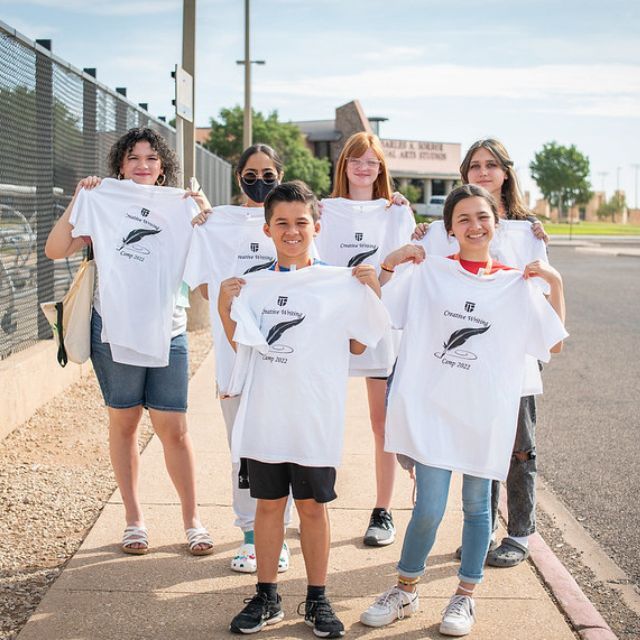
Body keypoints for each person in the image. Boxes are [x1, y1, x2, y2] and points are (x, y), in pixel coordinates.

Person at [360, 184, 567, 636]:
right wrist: (391, 263)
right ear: (450, 230)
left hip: (485, 415)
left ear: (496, 222)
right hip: (433, 411)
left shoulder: (516, 283)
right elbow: (376, 313)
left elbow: (552, 343)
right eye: (464, 220)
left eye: (482, 217)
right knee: (429, 508)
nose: (474, 226)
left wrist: (555, 283)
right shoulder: (429, 273)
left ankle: (464, 596)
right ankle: (405, 589)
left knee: (478, 509)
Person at [218, 181, 390, 637]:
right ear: (267, 229)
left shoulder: (339, 282)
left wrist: (373, 292)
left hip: (315, 419)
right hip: (265, 418)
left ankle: (317, 597)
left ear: (317, 225)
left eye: (300, 223)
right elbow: (243, 348)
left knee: (313, 507)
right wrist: (223, 305)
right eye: (282, 224)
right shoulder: (254, 284)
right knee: (268, 506)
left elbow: (357, 344)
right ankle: (267, 594)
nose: (292, 231)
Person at [44, 127, 213, 556]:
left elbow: (211, 252)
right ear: (120, 164)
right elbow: (55, 249)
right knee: (125, 422)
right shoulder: (105, 202)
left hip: (168, 330)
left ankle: (192, 520)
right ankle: (134, 518)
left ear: (162, 168)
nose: (142, 164)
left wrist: (203, 209)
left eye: (152, 158)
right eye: (134, 157)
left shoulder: (178, 207)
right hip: (113, 331)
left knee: (173, 427)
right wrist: (81, 199)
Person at [184, 143, 293, 574]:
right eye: (251, 173)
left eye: (269, 173)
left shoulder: (293, 221)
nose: (260, 180)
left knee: (281, 448)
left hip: (284, 362)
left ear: (280, 175)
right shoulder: (217, 226)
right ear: (238, 177)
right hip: (235, 364)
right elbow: (205, 288)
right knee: (243, 453)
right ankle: (250, 536)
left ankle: (278, 536)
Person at [316, 132, 415, 547]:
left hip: (377, 326)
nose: (363, 167)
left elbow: (407, 267)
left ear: (380, 170)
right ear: (344, 165)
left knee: (382, 424)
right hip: (329, 329)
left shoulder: (394, 213)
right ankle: (307, 500)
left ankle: (383, 510)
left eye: (372, 162)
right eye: (356, 159)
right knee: (319, 417)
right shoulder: (322, 209)